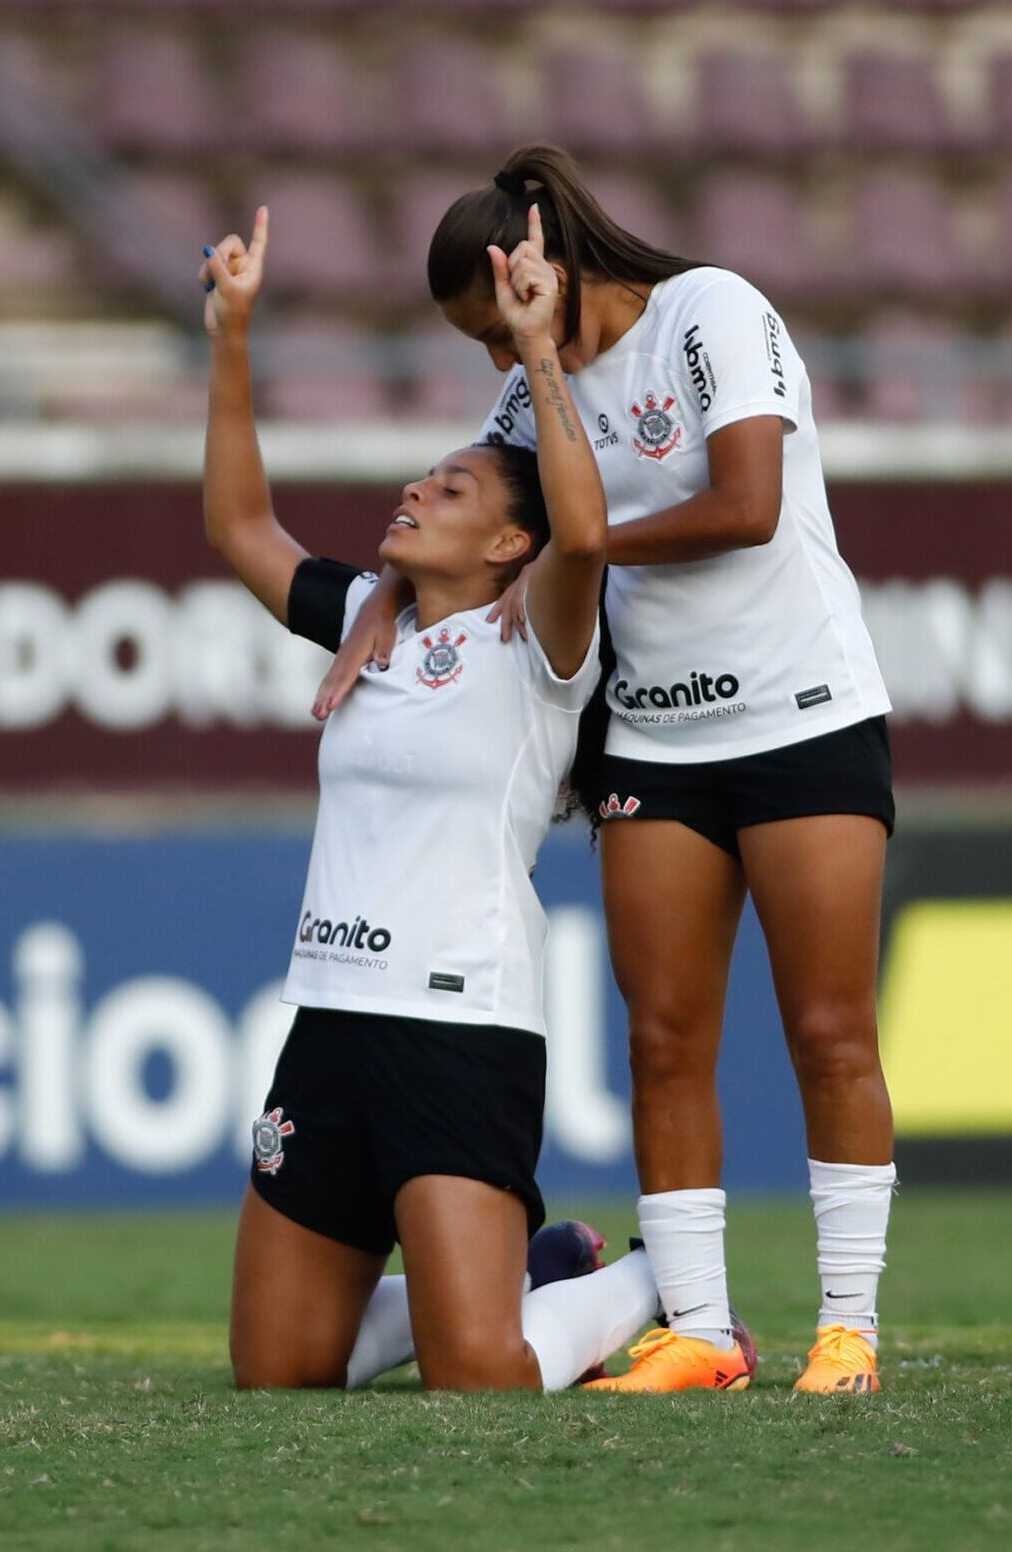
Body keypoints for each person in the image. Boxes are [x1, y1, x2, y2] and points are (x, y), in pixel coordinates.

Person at [318, 146, 900, 1396]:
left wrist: (577, 550)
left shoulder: (713, 312)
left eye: (498, 327)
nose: (496, 361)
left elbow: (746, 503)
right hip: (657, 740)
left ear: (544, 267)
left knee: (828, 1030)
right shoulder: (531, 398)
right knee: (663, 1039)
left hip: (800, 716)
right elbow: (461, 521)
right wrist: (384, 601)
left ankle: (848, 1324)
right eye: (477, 343)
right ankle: (698, 1325)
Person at [201, 204, 656, 1392]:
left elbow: (586, 534)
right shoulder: (367, 616)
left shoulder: (541, 643)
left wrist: (541, 349)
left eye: (451, 488)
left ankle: (652, 1283)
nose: (415, 487)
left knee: (482, 1377)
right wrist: (232, 333)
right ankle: (522, 1266)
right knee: (277, 1374)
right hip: (329, 1022)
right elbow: (241, 526)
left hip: (462, 1028)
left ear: (512, 544)